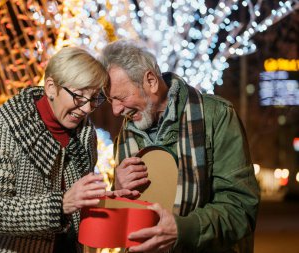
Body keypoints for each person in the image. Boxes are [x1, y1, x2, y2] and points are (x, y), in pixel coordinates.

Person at [99, 40, 260, 253]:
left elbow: (241, 209)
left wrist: (182, 230)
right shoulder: (126, 136)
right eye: (112, 101)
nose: (116, 111)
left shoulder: (217, 116)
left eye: (121, 97)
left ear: (151, 81)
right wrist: (118, 191)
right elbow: (127, 221)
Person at [0, 47, 116, 253]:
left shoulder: (85, 134)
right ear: (51, 87)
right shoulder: (8, 124)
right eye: (79, 96)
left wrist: (110, 198)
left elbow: (78, 207)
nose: (87, 108)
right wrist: (59, 205)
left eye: (94, 99)